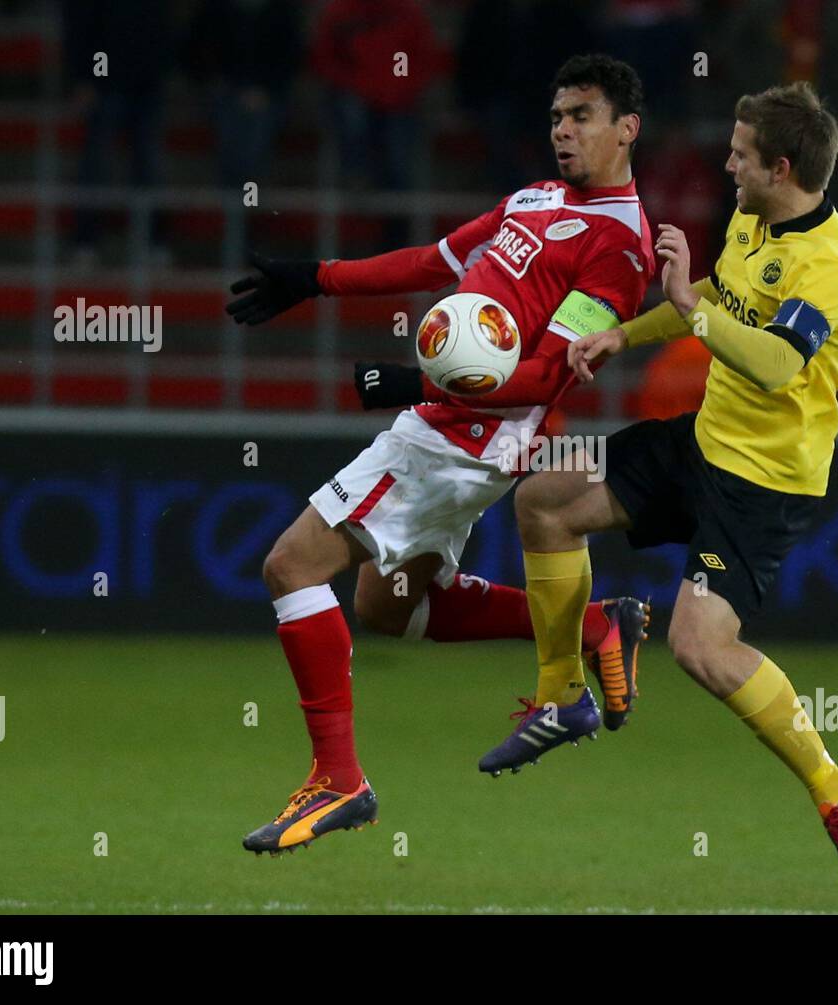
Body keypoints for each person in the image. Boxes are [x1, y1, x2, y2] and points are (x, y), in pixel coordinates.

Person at [223, 55, 655, 855]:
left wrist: (412, 378)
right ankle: (596, 623)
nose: (563, 129)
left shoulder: (621, 249)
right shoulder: (532, 198)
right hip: (450, 425)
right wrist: (315, 278)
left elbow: (550, 373)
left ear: (627, 128)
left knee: (289, 567)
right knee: (385, 606)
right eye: (558, 114)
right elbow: (433, 261)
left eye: (583, 116)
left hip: (467, 434)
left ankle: (338, 781)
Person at [487, 81, 838, 890]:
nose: (726, 162)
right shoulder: (754, 215)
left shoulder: (833, 264)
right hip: (702, 439)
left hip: (764, 482)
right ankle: (563, 695)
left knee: (700, 647)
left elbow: (776, 363)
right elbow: (712, 297)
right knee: (543, 502)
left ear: (781, 166)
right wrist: (624, 335)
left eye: (741, 154)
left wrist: (689, 312)